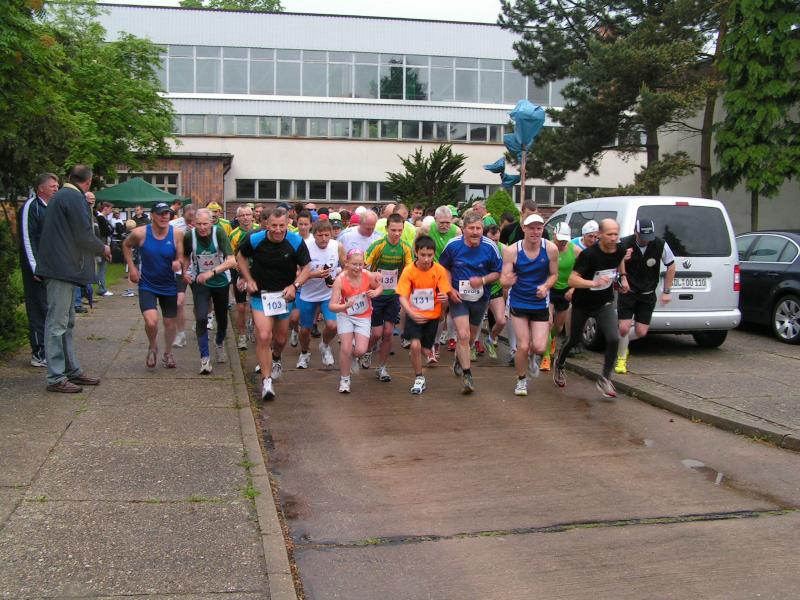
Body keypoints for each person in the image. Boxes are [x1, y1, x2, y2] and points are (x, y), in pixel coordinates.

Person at [35, 165, 110, 393]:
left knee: (65, 323)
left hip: (61, 268)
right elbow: (82, 234)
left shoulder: (62, 197)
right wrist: (103, 248)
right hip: (61, 269)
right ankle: (56, 377)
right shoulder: (73, 198)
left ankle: (71, 370)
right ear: (88, 181)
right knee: (57, 324)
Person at [237, 207, 311, 401]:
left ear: (287, 224)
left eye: (281, 226)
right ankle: (266, 381)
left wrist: (295, 286)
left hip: (284, 296)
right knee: (264, 335)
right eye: (273, 226)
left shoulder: (295, 241)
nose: (277, 230)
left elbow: (306, 268)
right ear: (266, 224)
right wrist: (248, 279)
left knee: (280, 339)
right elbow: (240, 257)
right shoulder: (255, 239)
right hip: (260, 295)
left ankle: (276, 357)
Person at [553, 218, 629, 399]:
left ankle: (604, 378)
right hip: (583, 303)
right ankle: (560, 363)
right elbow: (572, 280)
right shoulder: (589, 255)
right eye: (609, 234)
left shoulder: (620, 249)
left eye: (616, 234)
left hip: (605, 302)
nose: (613, 238)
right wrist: (593, 283)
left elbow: (619, 260)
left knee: (613, 338)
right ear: (600, 235)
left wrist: (624, 277)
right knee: (574, 339)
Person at [439, 210, 503, 394]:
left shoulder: (490, 247)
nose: (475, 232)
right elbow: (443, 268)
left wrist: (482, 280)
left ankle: (459, 359)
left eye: (478, 228)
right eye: (471, 228)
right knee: (463, 335)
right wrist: (450, 289)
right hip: (458, 298)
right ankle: (468, 376)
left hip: (480, 298)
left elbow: (497, 272)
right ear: (463, 229)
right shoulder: (453, 245)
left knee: (471, 338)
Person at [501, 214, 559, 396]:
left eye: (539, 228)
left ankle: (533, 357)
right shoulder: (512, 251)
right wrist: (507, 281)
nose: (535, 232)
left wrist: (546, 286)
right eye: (531, 228)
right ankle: (521, 380)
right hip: (518, 301)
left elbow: (554, 275)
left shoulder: (550, 249)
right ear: (523, 228)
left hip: (540, 302)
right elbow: (503, 279)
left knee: (540, 347)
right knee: (523, 345)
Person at [123, 202, 185, 369]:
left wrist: (178, 262)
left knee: (170, 323)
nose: (165, 217)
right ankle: (152, 346)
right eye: (160, 214)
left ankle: (168, 353)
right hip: (147, 284)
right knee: (151, 322)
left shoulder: (176, 234)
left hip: (169, 284)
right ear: (152, 216)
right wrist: (132, 268)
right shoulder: (140, 233)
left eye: (167, 213)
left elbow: (181, 256)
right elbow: (126, 245)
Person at [615, 218, 676, 374]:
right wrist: (622, 258)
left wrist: (667, 291)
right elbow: (611, 264)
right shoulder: (624, 243)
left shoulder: (660, 244)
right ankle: (621, 357)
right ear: (635, 232)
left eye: (648, 237)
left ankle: (621, 342)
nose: (646, 241)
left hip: (647, 294)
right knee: (624, 328)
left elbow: (671, 266)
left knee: (641, 331)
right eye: (642, 237)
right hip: (628, 292)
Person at [182, 208, 237, 374]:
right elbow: (185, 256)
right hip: (200, 282)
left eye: (205, 224)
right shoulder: (189, 236)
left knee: (222, 319)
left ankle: (219, 342)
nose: (202, 228)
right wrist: (184, 271)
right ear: (194, 223)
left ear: (211, 222)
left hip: (220, 281)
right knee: (201, 317)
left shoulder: (218, 233)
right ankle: (205, 358)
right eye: (198, 224)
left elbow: (231, 261)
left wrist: (211, 273)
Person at [396, 235, 452, 395]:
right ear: (416, 253)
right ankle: (419, 377)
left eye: (430, 255)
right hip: (414, 315)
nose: (426, 259)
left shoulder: (439, 270)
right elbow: (402, 296)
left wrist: (444, 301)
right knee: (415, 345)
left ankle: (427, 350)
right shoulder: (409, 271)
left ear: (434, 254)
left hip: (432, 316)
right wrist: (411, 313)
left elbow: (444, 294)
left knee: (425, 349)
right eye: (423, 255)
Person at [362, 213, 414, 381]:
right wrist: (371, 278)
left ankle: (382, 367)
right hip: (376, 294)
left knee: (389, 332)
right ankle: (367, 351)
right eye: (393, 230)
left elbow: (410, 270)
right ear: (386, 229)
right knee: (377, 333)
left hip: (393, 295)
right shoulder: (378, 246)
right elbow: (363, 266)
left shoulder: (406, 247)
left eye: (400, 230)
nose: (397, 233)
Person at [18, 172, 59, 367]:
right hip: (37, 270)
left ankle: (50, 350)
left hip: (52, 269)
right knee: (38, 309)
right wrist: (35, 268)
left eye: (57, 186)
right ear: (41, 188)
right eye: (52, 186)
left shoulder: (51, 208)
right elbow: (28, 238)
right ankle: (39, 353)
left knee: (50, 310)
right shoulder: (31, 207)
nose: (56, 189)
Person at [329, 250, 383, 393]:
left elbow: (380, 287)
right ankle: (345, 379)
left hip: (363, 316)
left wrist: (375, 292)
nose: (358, 268)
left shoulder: (367, 275)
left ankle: (354, 356)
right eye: (354, 264)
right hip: (345, 315)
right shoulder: (340, 280)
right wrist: (345, 306)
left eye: (360, 264)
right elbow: (332, 306)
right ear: (346, 263)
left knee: (361, 350)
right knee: (345, 348)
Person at [295, 219, 345, 369]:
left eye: (327, 235)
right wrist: (312, 274)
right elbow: (297, 273)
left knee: (332, 325)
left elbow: (345, 266)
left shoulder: (337, 246)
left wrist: (339, 276)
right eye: (320, 235)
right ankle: (304, 353)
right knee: (305, 330)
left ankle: (325, 345)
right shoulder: (305, 247)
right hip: (308, 294)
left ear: (331, 234)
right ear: (313, 234)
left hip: (328, 294)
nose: (323, 239)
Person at [540, 222, 581, 372]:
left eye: (565, 239)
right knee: (548, 323)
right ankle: (546, 357)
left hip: (565, 291)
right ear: (554, 235)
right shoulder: (547, 248)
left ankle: (551, 339)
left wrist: (574, 289)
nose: (562, 242)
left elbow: (583, 271)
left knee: (558, 327)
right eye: (560, 239)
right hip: (550, 288)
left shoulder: (575, 251)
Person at [229, 205, 258, 350]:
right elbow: (231, 257)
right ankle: (241, 335)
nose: (246, 218)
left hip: (257, 272)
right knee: (241, 307)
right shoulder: (233, 234)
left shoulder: (259, 230)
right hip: (239, 272)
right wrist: (241, 273)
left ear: (253, 216)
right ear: (237, 218)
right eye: (242, 215)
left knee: (256, 305)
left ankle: (254, 326)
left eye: (248, 215)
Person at [483, 224, 508, 360]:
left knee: (501, 320)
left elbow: (507, 270)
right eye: (491, 240)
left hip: (495, 288)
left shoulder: (504, 249)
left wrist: (505, 288)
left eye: (496, 240)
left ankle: (490, 339)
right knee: (475, 322)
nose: (494, 243)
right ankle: (472, 345)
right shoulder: (478, 247)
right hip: (479, 289)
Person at [170, 204, 194, 347]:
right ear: (183, 215)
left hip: (198, 269)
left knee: (201, 303)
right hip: (181, 269)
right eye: (188, 218)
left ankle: (202, 322)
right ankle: (180, 334)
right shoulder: (174, 225)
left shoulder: (202, 225)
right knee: (178, 303)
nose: (191, 222)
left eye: (193, 218)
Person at [95, 201, 114, 296]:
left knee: (102, 268)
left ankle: (102, 287)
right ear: (105, 208)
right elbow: (106, 231)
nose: (111, 211)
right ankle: (102, 289)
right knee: (101, 268)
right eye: (111, 209)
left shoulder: (102, 218)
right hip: (102, 245)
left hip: (103, 244)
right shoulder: (100, 218)